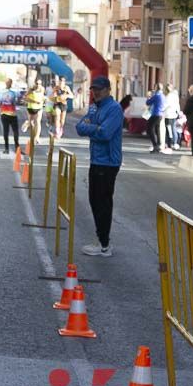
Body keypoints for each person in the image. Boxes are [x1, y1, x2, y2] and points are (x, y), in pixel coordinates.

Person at [76, 76, 123, 258]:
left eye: (99, 89)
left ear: (108, 90)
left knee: (103, 203)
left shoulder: (114, 109)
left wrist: (92, 128)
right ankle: (101, 239)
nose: (95, 92)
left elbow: (105, 133)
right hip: (96, 160)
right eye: (93, 89)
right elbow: (80, 127)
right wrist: (94, 128)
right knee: (94, 200)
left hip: (108, 162)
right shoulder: (95, 107)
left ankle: (104, 244)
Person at [0, 78, 20, 154]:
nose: (9, 84)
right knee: (12, 132)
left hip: (7, 113)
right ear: (10, 83)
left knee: (8, 131)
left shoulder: (1, 92)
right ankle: (13, 148)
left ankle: (8, 149)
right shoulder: (13, 92)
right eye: (9, 82)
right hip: (9, 114)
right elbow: (18, 100)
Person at [24, 79, 46, 144]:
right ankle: (31, 131)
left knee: (38, 121)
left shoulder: (42, 89)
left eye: (40, 84)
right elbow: (25, 98)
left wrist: (43, 100)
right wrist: (34, 101)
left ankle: (37, 137)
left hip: (39, 108)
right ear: (34, 83)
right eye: (37, 83)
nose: (38, 85)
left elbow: (42, 97)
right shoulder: (31, 90)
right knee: (31, 123)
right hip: (31, 107)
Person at [145, 83, 165, 153]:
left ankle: (155, 145)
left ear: (156, 88)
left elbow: (148, 102)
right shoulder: (163, 95)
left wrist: (148, 96)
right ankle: (159, 144)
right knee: (157, 129)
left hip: (155, 114)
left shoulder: (156, 96)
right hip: (161, 114)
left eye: (155, 87)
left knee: (149, 129)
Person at [162, 83, 180, 150]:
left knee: (169, 129)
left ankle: (169, 143)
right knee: (173, 129)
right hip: (173, 114)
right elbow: (177, 105)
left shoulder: (169, 96)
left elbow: (166, 105)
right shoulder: (175, 95)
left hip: (168, 115)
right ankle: (173, 143)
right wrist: (178, 112)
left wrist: (162, 110)